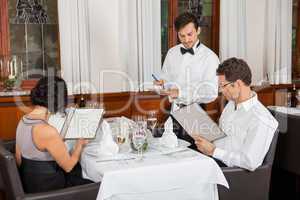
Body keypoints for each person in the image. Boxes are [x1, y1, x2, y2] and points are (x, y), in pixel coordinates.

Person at [193, 58, 278, 171]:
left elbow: (249, 162)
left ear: (238, 84)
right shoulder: (231, 104)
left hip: (232, 174)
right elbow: (225, 138)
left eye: (223, 86)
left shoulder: (260, 118)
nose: (221, 91)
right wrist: (208, 139)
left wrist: (213, 151)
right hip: (214, 160)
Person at [15, 76, 92, 193]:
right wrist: (80, 145)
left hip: (29, 185)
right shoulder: (47, 130)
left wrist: (58, 140)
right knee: (96, 183)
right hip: (50, 189)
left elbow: (19, 159)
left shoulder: (23, 120)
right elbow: (68, 167)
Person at [154, 12, 219, 148]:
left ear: (198, 30)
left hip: (196, 114)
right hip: (173, 112)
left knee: (195, 158)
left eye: (190, 34)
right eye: (181, 35)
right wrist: (161, 85)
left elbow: (211, 93)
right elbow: (166, 81)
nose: (186, 39)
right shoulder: (172, 53)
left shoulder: (210, 58)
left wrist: (180, 93)